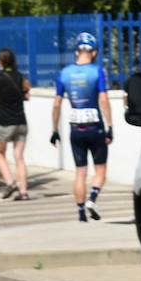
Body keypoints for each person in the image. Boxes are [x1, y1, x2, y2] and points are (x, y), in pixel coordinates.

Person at [50, 31, 111, 222]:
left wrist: (54, 130)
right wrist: (110, 126)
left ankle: (81, 212)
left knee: (80, 171)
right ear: (93, 52)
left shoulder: (64, 73)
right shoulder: (97, 71)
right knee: (100, 169)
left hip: (75, 127)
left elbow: (57, 103)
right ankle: (92, 198)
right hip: (95, 125)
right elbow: (103, 99)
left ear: (77, 51)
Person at [0, 47, 31, 200]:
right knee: (19, 157)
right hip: (21, 122)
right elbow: (27, 97)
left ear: (0, 61)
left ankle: (10, 182)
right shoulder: (20, 77)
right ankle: (24, 192)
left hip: (4, 123)